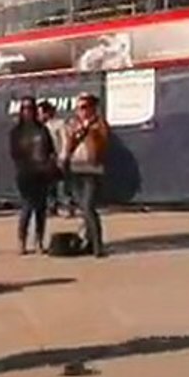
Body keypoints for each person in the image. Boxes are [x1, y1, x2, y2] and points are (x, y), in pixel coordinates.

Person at [10, 96, 57, 255]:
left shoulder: (42, 129)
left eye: (30, 108)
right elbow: (14, 153)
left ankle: (39, 241)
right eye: (24, 108)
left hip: (42, 174)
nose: (27, 111)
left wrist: (48, 164)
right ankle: (21, 241)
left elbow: (50, 150)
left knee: (41, 210)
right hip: (25, 174)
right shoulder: (16, 132)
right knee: (27, 207)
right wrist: (28, 164)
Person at [65, 93, 110, 257]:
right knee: (82, 208)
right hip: (75, 168)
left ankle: (98, 245)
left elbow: (103, 143)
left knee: (89, 206)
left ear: (92, 108)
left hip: (92, 169)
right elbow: (69, 144)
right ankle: (88, 242)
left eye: (84, 107)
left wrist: (88, 130)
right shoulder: (73, 123)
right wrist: (75, 133)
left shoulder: (99, 124)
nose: (80, 111)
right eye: (78, 108)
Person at [38, 100, 71, 217]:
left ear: (48, 113)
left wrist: (63, 156)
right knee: (49, 185)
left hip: (59, 158)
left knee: (61, 184)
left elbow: (65, 140)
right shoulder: (41, 127)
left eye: (41, 113)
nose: (39, 116)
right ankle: (51, 206)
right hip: (46, 160)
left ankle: (66, 206)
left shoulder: (60, 124)